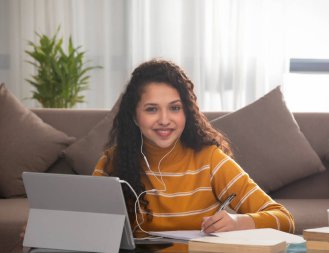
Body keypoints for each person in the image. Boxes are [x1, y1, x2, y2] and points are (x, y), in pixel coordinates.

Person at [93, 59, 295, 236]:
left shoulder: (210, 160)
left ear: (186, 113)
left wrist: (238, 222)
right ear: (134, 117)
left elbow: (284, 219)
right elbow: (89, 225)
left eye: (175, 108)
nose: (165, 120)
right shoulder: (111, 162)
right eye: (152, 109)